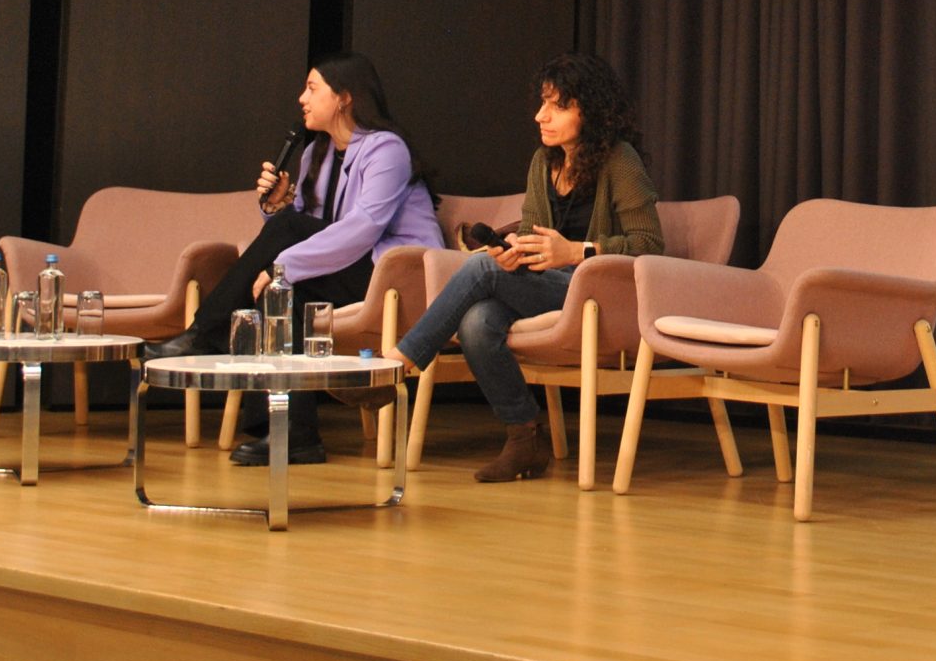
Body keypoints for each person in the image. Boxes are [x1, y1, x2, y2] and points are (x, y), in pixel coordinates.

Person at [144, 51, 442, 465]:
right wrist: (278, 206)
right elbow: (311, 227)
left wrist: (281, 265)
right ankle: (292, 434)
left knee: (283, 251)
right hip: (349, 271)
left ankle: (205, 333)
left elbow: (362, 228)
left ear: (344, 97)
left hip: (396, 277)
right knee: (282, 295)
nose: (302, 98)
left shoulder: (386, 149)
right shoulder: (317, 154)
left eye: (312, 88)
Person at [395, 52, 663, 483]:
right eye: (542, 103)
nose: (541, 115)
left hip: (600, 297)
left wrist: (576, 252)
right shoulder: (544, 161)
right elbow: (530, 234)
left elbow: (649, 246)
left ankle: (396, 365)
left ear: (590, 110)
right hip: (548, 286)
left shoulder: (620, 160)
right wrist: (514, 251)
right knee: (477, 322)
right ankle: (524, 438)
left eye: (557, 106)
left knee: (481, 272)